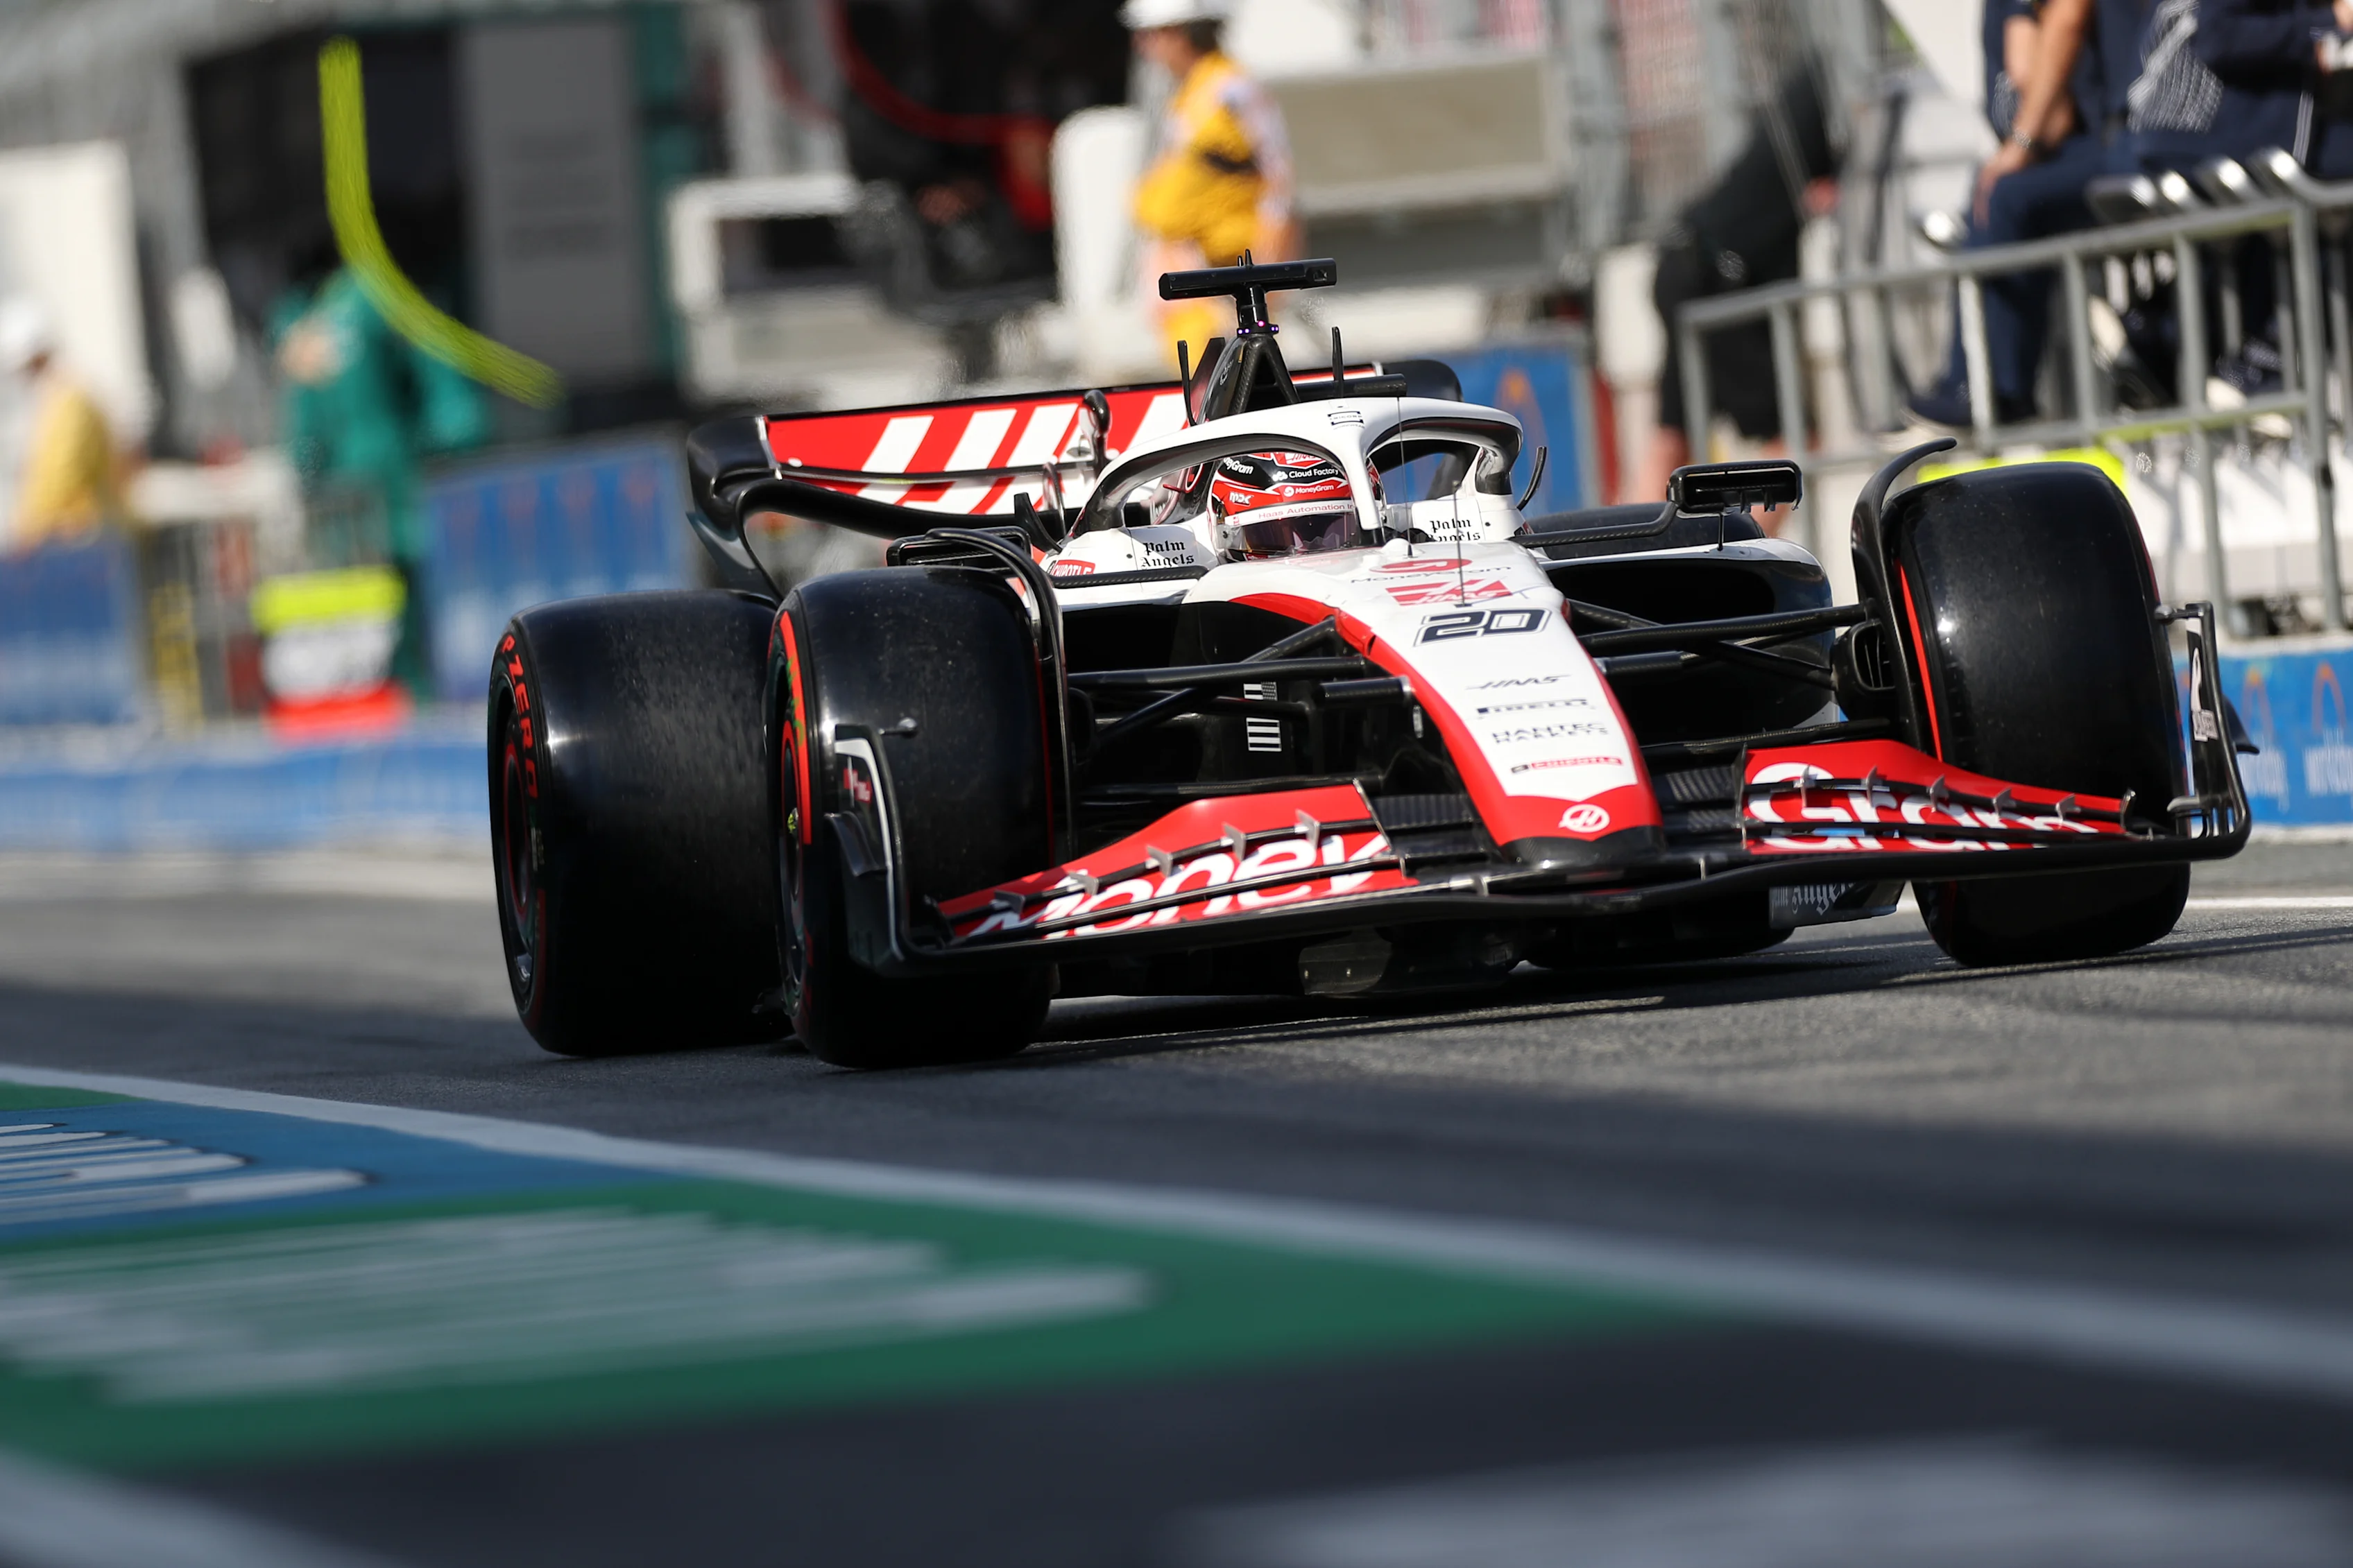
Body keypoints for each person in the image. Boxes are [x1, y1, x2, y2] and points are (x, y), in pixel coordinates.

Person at [1641, 65, 1840, 508]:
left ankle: (1621, 557)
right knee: (1793, 441)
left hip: (1681, 265)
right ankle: (1740, 549)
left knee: (1674, 434)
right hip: (1713, 280)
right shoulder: (1831, 99)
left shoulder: (1802, 98)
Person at [1908, 0, 2114, 428]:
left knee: (2002, 196)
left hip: (2109, 145)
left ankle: (1986, 389)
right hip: (2100, 144)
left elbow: (2033, 78)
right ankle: (1983, 387)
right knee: (1996, 199)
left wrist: (2020, 145)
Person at [1125, 0, 1299, 370]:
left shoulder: (1233, 89)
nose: (1143, 46)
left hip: (1231, 272)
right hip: (1195, 270)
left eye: (1151, 35)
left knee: (1227, 380)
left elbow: (1278, 178)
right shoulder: (1191, 91)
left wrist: (1271, 269)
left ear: (1184, 32)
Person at [0, 298, 121, 551]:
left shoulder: (69, 400)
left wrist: (29, 527)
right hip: (76, 536)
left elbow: (62, 474)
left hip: (86, 538)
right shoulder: (59, 398)